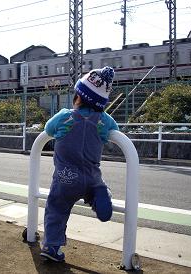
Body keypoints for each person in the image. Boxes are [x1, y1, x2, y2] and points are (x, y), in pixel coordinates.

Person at [40, 66, 119, 262]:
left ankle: (52, 247)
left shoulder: (65, 115)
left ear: (78, 96)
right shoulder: (104, 120)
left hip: (65, 177)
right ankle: (100, 195)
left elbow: (48, 128)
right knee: (96, 186)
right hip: (91, 177)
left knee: (56, 209)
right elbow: (114, 130)